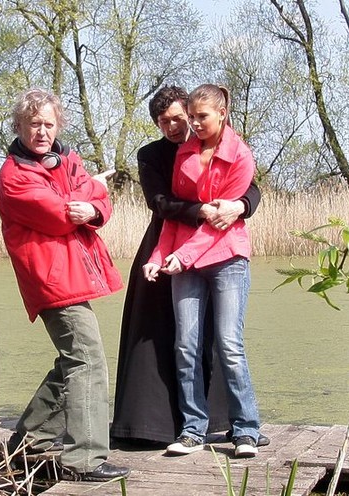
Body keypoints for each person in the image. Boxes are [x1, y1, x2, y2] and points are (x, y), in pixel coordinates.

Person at [111, 85, 264, 446]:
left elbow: (248, 191)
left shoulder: (234, 151)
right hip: (172, 245)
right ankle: (184, 427)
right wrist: (167, 252)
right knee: (180, 343)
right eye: (167, 121)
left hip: (218, 251)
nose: (181, 125)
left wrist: (240, 206)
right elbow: (163, 205)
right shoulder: (164, 154)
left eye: (185, 117)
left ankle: (243, 426)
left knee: (226, 343)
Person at [0, 88, 130, 482]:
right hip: (51, 279)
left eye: (49, 124)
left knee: (74, 359)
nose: (42, 132)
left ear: (59, 126)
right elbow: (61, 214)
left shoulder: (67, 159)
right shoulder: (14, 177)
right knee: (88, 360)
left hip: (72, 274)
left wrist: (95, 201)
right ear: (19, 125)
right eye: (34, 123)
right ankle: (85, 461)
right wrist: (93, 192)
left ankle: (28, 439)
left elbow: (94, 205)